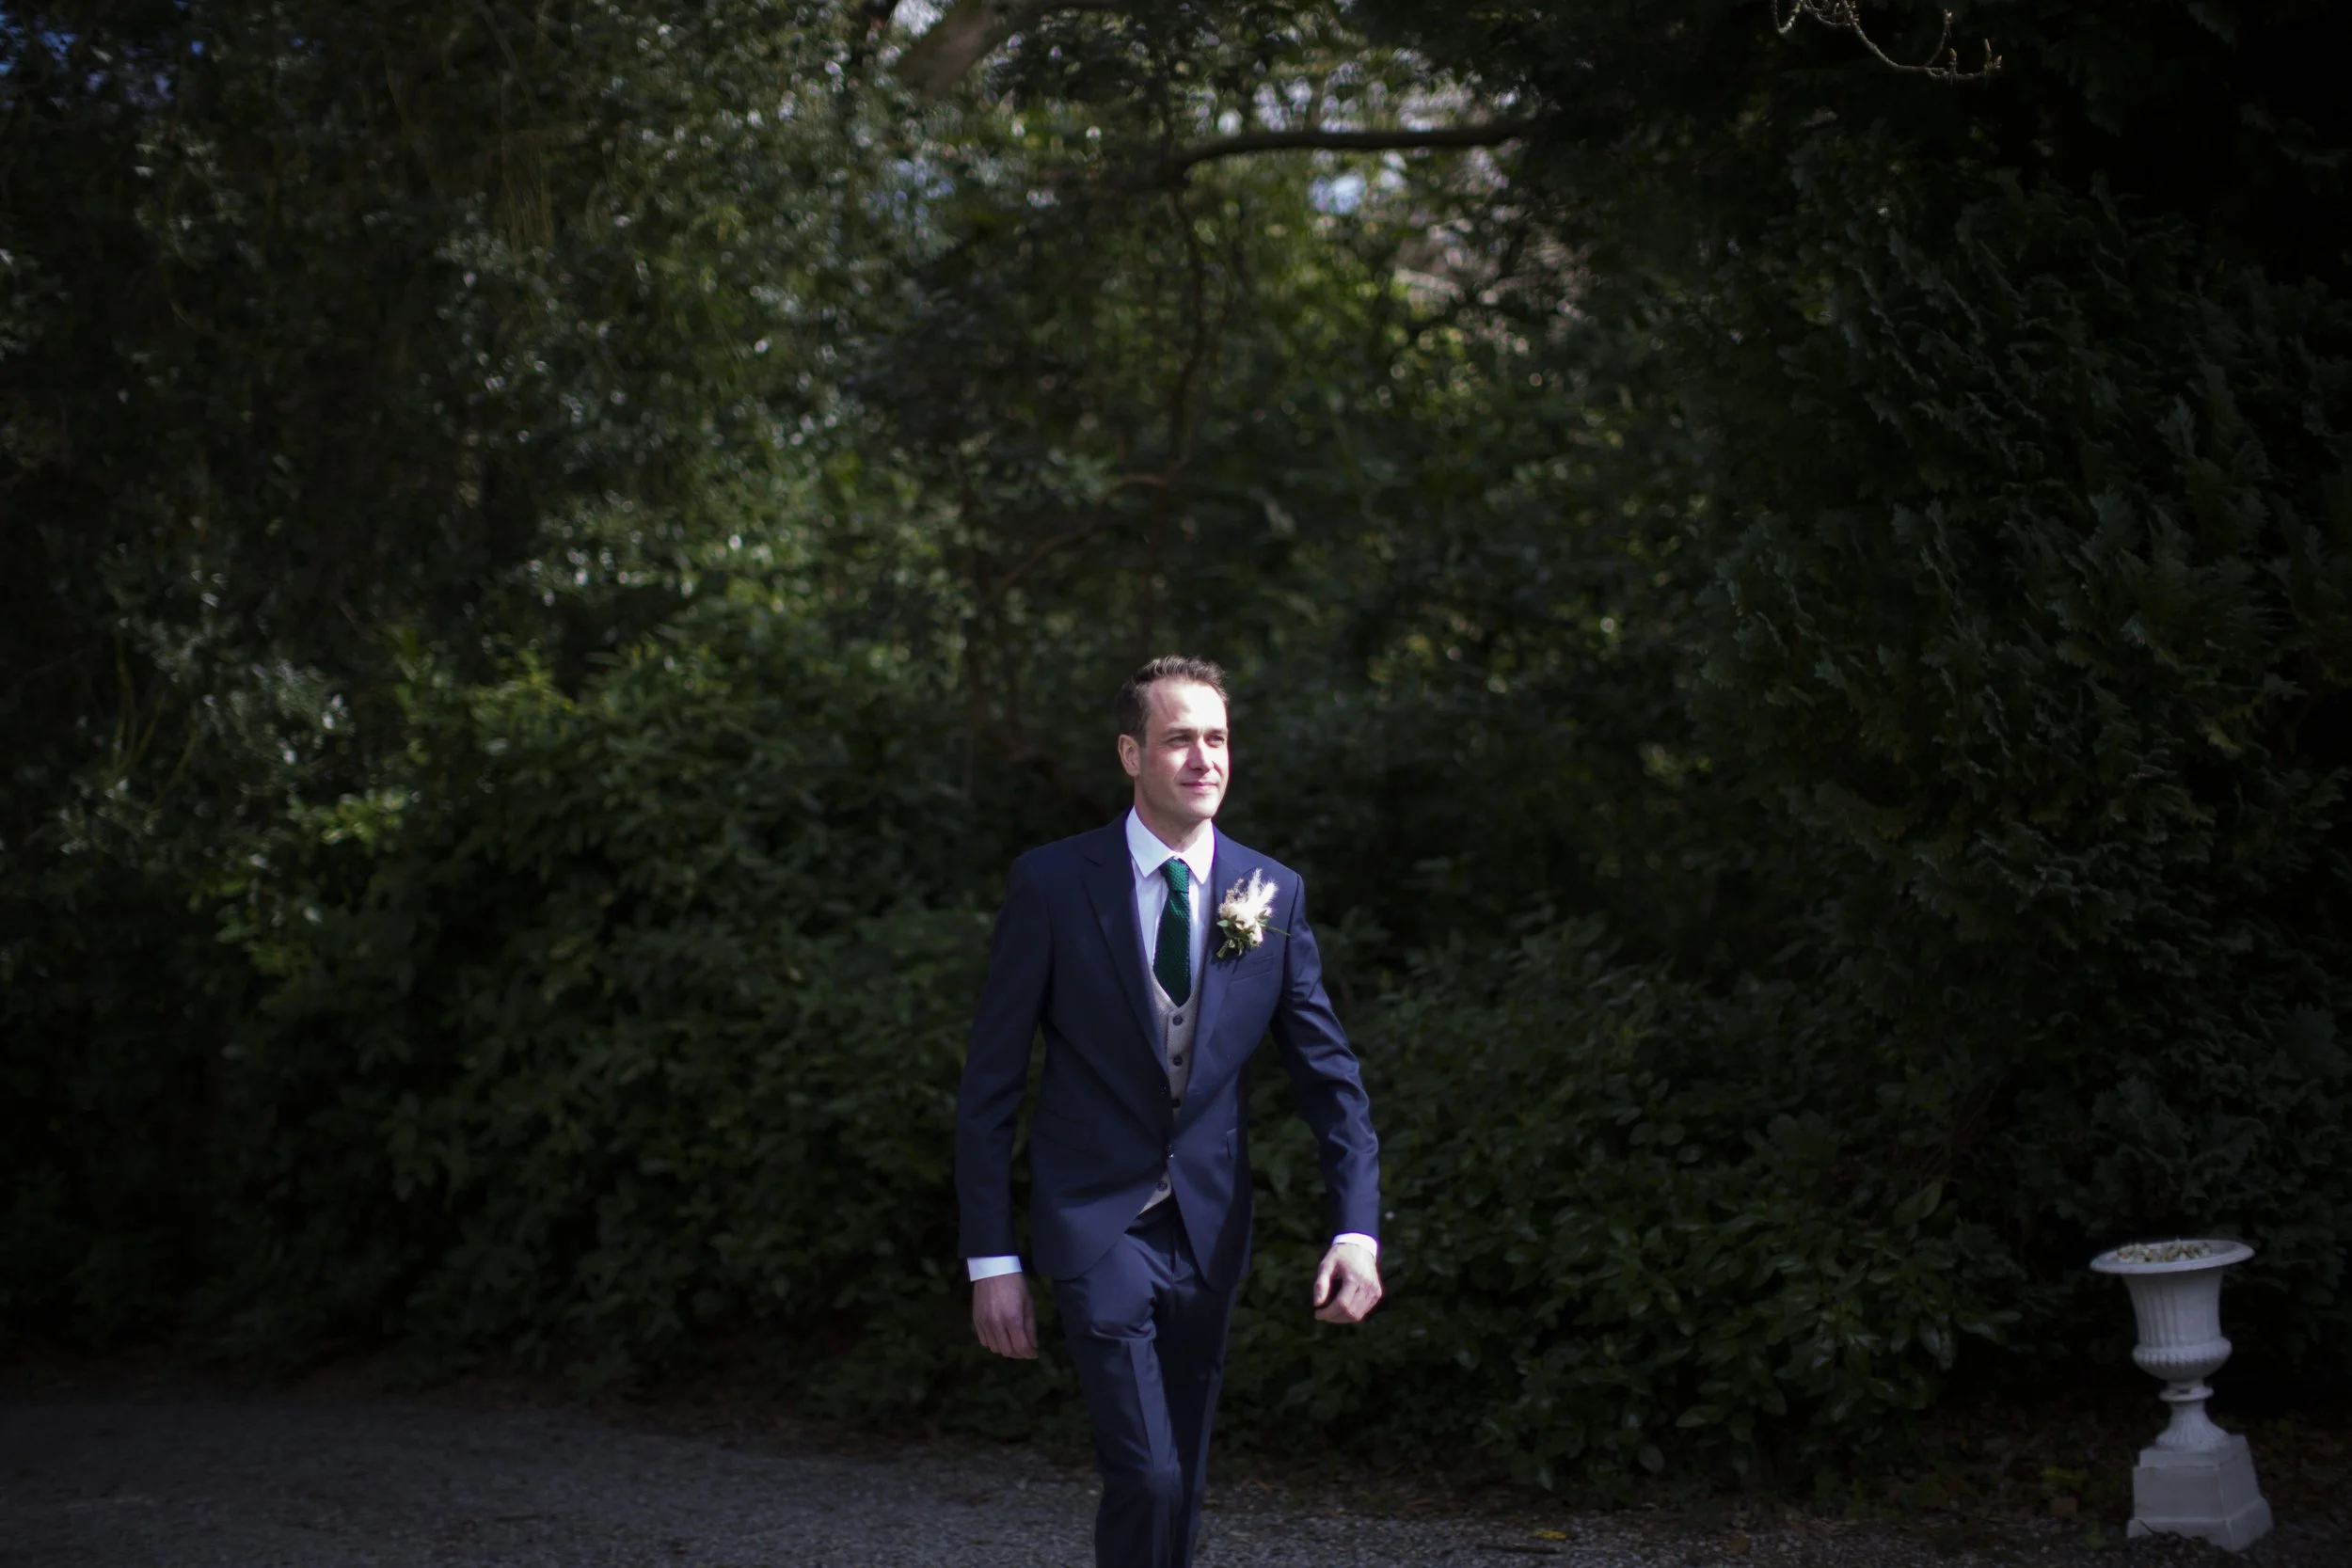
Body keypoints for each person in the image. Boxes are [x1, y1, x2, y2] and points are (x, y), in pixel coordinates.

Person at [955, 654, 1384, 1568]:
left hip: (1209, 1227)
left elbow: (1330, 1078)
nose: (1204, 758)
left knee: (1181, 1477)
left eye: (1217, 738)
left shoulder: (1268, 892)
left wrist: (1356, 1230)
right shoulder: (1053, 882)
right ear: (1130, 754)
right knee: (1146, 1473)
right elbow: (991, 1082)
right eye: (1180, 738)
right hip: (1095, 1222)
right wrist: (992, 1258)